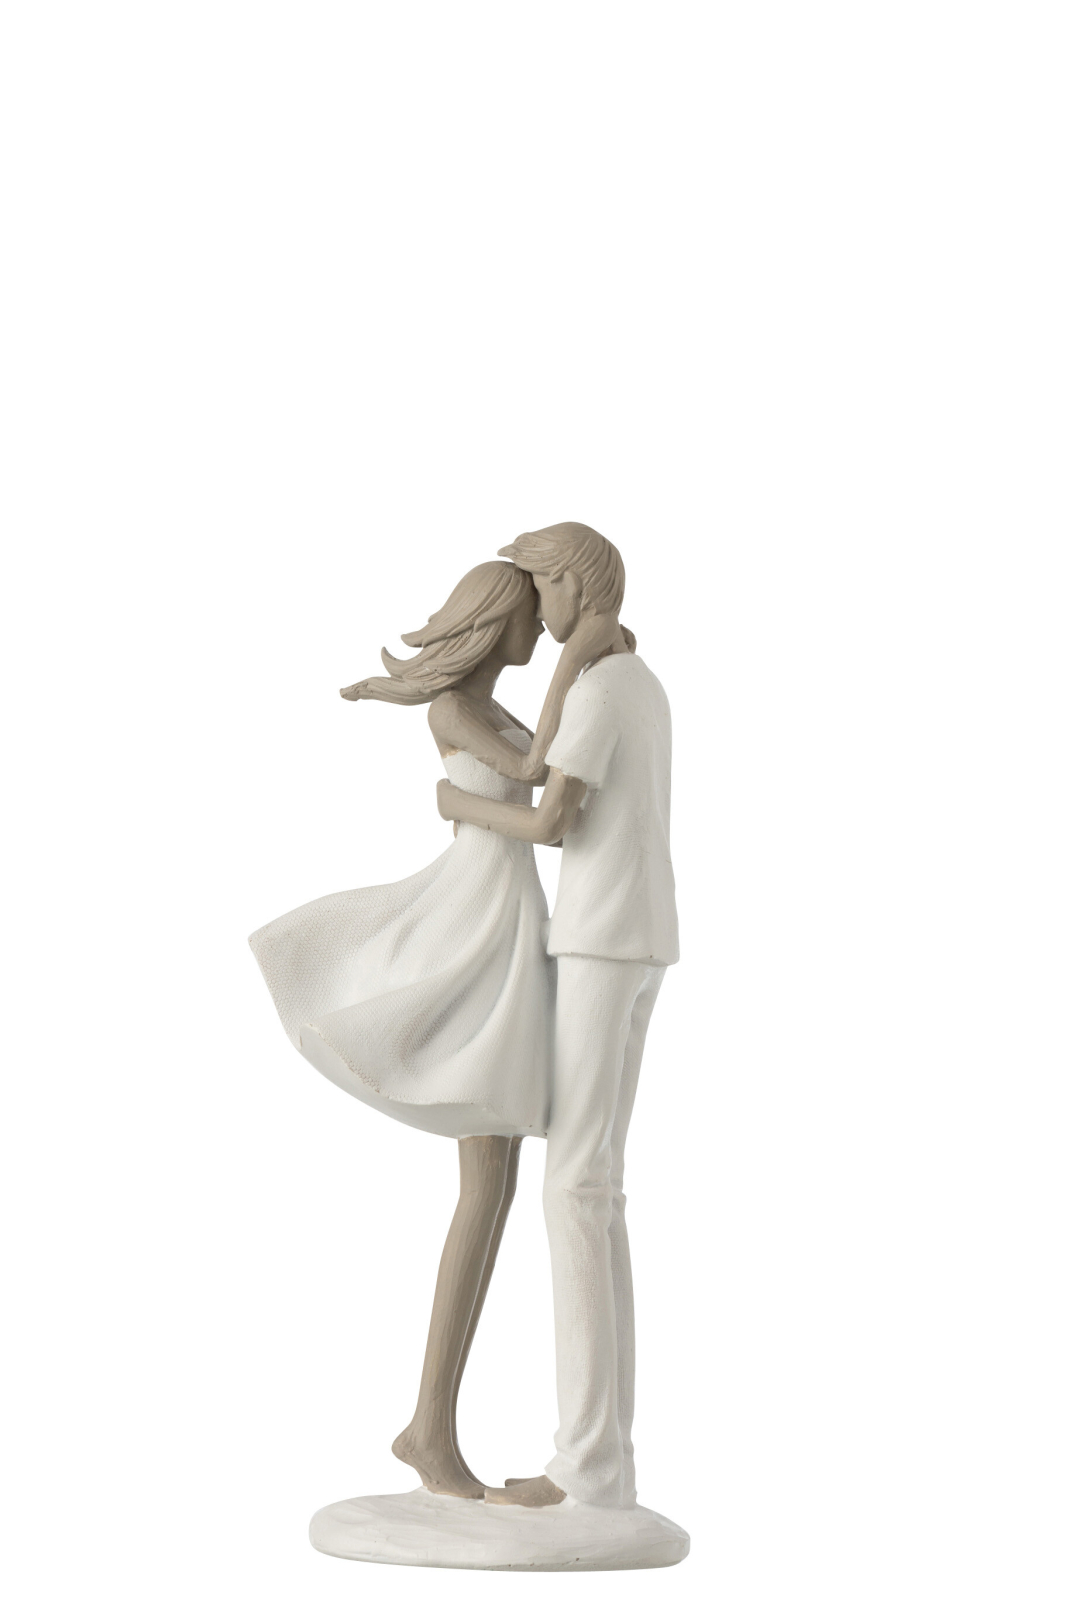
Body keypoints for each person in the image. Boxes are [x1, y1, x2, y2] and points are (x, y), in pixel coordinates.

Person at [249, 560, 552, 1500]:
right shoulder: (456, 708)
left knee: (494, 1183)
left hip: (508, 914)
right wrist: (588, 659)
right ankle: (429, 1427)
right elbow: (537, 778)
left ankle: (430, 1426)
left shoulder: (487, 706)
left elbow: (539, 788)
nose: (542, 632)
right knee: (486, 1180)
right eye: (533, 617)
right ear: (495, 620)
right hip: (474, 918)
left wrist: (457, 800)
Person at [436, 523, 679, 1511]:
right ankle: (605, 1462)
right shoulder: (639, 680)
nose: (538, 610)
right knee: (597, 1192)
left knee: (575, 1191)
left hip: (598, 937)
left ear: (574, 584)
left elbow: (547, 815)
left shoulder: (599, 685)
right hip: (640, 935)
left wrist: (454, 802)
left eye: (543, 588)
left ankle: (586, 1467)